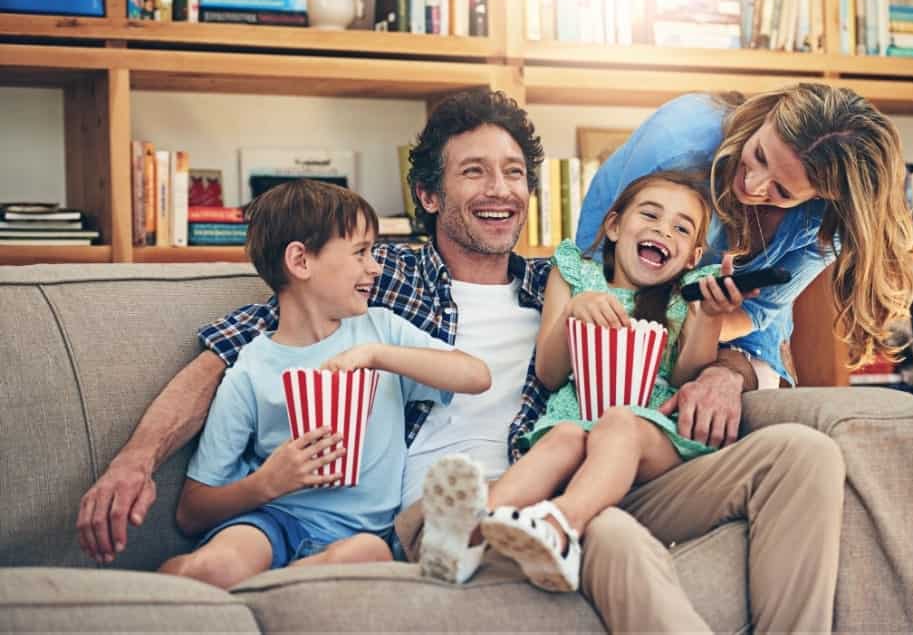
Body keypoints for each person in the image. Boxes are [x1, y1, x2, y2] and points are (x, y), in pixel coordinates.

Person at [77, 88, 841, 633]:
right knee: (615, 541)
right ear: (429, 197)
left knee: (800, 453)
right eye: (473, 171)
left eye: (513, 173)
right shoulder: (385, 277)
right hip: (434, 510)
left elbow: (684, 328)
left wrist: (729, 368)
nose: (499, 189)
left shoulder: (565, 282)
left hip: (554, 483)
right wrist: (136, 457)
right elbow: (237, 344)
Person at [158, 180, 490, 589]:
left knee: (366, 554)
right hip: (274, 519)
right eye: (361, 253)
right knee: (217, 565)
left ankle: (269, 588)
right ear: (300, 261)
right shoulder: (250, 370)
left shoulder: (381, 331)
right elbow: (191, 511)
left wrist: (377, 355)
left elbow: (476, 375)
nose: (376, 266)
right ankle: (204, 583)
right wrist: (267, 483)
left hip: (364, 533)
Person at [423, 171, 742, 592]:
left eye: (680, 228)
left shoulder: (686, 294)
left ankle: (560, 525)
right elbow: (550, 374)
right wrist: (575, 311)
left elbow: (687, 376)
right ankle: (466, 529)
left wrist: (710, 320)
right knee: (564, 438)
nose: (662, 230)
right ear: (613, 226)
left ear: (690, 255)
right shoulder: (576, 275)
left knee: (617, 424)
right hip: (577, 416)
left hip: (650, 430)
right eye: (650, 215)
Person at [577, 83, 913, 389]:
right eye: (759, 155)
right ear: (767, 118)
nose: (753, 186)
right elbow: (614, 267)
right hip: (617, 277)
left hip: (717, 321)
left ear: (819, 197)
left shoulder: (825, 224)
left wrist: (706, 322)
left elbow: (757, 312)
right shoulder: (676, 143)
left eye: (781, 190)